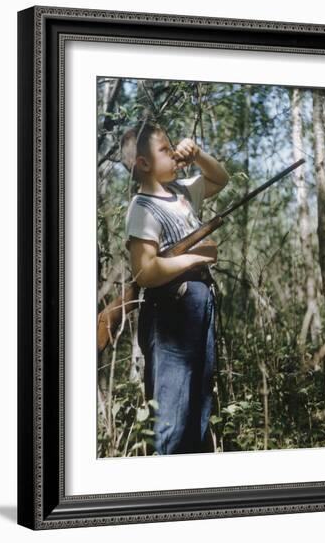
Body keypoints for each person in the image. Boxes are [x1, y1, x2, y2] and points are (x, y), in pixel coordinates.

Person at [121, 121, 229, 455]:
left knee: (198, 409)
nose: (174, 153)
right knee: (171, 418)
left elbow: (220, 179)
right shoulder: (142, 208)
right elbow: (145, 271)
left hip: (199, 306)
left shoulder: (181, 192)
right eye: (165, 150)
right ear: (143, 163)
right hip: (171, 310)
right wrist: (195, 258)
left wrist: (198, 154)